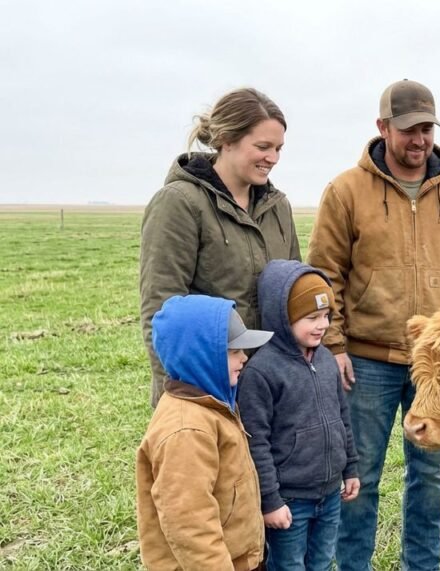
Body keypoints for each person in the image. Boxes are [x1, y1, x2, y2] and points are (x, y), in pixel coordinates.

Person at [306, 79, 440, 571]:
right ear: (382, 128)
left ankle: (423, 565)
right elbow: (325, 275)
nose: (419, 140)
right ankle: (352, 565)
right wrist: (333, 345)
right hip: (367, 362)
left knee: (429, 476)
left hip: (435, 367)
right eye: (409, 130)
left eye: (427, 130)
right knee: (360, 476)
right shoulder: (345, 191)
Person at [140, 87, 302, 408]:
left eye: (279, 148)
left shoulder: (278, 206)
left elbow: (293, 292)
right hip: (207, 386)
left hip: (269, 386)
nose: (273, 158)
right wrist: (181, 395)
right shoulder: (179, 203)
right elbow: (161, 309)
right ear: (227, 140)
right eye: (262, 146)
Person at [237, 260, 361, 571]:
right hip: (290, 501)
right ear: (283, 317)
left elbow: (342, 418)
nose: (321, 325)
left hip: (331, 495)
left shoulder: (328, 361)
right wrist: (271, 501)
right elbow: (257, 443)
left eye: (326, 316)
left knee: (320, 563)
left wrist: (350, 469)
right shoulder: (261, 372)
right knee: (288, 565)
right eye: (311, 318)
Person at [136, 294, 273, 570]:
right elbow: (191, 526)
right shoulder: (187, 429)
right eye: (234, 351)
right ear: (201, 355)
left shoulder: (213, 404)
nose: (244, 358)